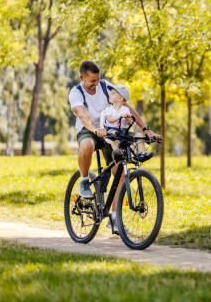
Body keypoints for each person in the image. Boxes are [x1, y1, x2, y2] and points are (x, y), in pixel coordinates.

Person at [68, 60, 161, 232]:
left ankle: (114, 217)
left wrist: (146, 129)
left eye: (98, 79)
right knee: (87, 144)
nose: (96, 84)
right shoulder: (76, 93)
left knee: (119, 170)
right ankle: (83, 181)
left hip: (111, 131)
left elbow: (125, 105)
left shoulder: (104, 86)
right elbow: (82, 115)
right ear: (82, 77)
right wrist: (96, 129)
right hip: (90, 130)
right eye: (92, 81)